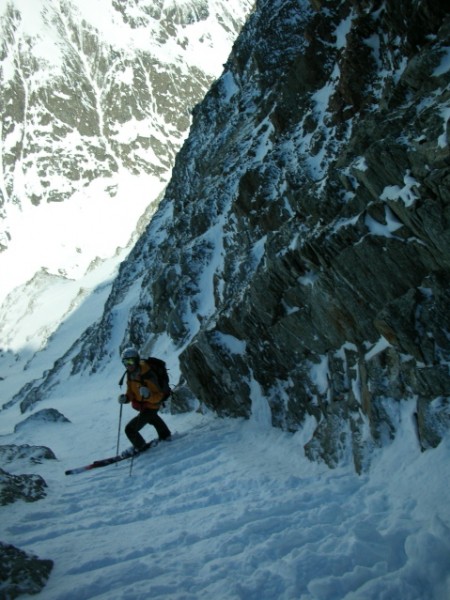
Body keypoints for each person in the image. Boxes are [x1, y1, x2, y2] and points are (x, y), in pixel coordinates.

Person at [118, 347, 171, 455]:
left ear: (136, 360)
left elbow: (159, 396)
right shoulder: (130, 374)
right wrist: (126, 398)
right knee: (153, 419)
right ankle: (165, 434)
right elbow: (131, 392)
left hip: (151, 406)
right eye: (125, 362)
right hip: (142, 405)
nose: (128, 365)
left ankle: (141, 446)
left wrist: (148, 396)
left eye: (130, 361)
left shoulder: (148, 375)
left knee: (130, 429)